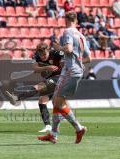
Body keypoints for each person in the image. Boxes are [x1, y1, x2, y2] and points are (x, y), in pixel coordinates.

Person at [38, 11, 91, 144]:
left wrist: (57, 47)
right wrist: (74, 62)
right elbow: (89, 58)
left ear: (66, 20)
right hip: (76, 71)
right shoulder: (82, 36)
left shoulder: (68, 32)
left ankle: (78, 128)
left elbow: (67, 49)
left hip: (69, 72)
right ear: (76, 21)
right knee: (57, 101)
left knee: (57, 102)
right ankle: (54, 134)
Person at [5, 43, 64, 133]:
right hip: (50, 79)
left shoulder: (56, 53)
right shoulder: (36, 56)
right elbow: (35, 68)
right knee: (42, 101)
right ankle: (48, 126)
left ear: (49, 51)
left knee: (38, 87)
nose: (43, 57)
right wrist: (47, 67)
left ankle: (17, 98)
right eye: (41, 55)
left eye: (44, 54)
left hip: (60, 78)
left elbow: (67, 60)